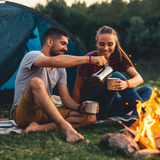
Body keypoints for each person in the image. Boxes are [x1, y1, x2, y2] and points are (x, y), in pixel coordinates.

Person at [10, 27, 107, 143]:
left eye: (66, 45)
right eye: (63, 44)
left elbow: (65, 98)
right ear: (50, 42)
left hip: (44, 112)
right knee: (36, 82)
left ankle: (39, 127)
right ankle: (66, 128)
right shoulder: (33, 55)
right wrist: (89, 59)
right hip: (24, 113)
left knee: (90, 118)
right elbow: (53, 62)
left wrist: (79, 107)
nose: (65, 48)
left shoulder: (61, 70)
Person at [73, 26, 153, 121]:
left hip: (112, 104)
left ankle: (135, 118)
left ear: (115, 44)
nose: (106, 48)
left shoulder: (118, 57)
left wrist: (125, 84)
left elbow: (139, 78)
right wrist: (78, 109)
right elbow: (77, 89)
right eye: (101, 44)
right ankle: (143, 113)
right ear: (96, 43)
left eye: (110, 44)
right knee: (115, 75)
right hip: (94, 107)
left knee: (148, 90)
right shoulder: (89, 59)